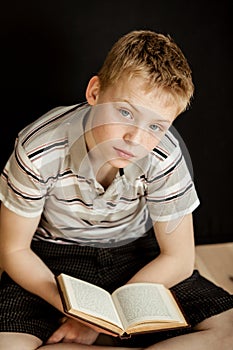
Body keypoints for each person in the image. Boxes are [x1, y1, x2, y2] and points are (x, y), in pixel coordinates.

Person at [0, 29, 232, 350]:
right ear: (95, 91)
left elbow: (178, 258)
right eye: (125, 112)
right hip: (55, 262)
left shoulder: (164, 154)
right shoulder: (38, 149)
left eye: (155, 126)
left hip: (137, 259)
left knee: (229, 331)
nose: (135, 140)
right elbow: (14, 251)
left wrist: (110, 315)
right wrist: (77, 313)